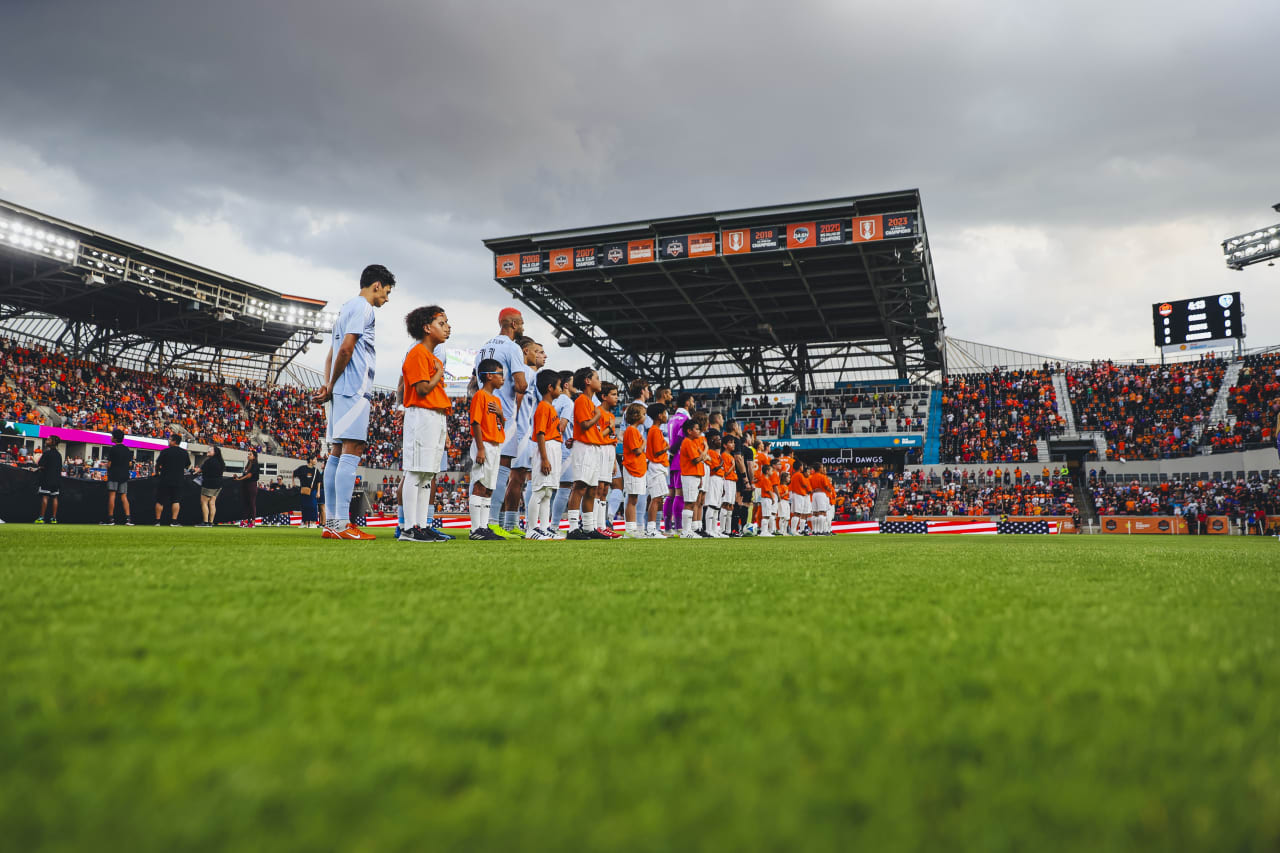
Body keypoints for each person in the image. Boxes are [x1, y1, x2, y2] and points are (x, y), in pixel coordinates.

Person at [313, 263, 395, 541]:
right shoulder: (363, 308)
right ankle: (342, 523)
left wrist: (328, 385)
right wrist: (333, 384)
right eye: (386, 291)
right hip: (354, 388)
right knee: (352, 447)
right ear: (376, 286)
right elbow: (346, 349)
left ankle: (332, 524)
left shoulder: (345, 308)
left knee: (337, 450)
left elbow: (331, 353)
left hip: (341, 389)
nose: (387, 297)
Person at [470, 307, 530, 539]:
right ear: (513, 324)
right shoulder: (513, 347)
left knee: (486, 475)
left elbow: (476, 379)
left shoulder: (483, 348)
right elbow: (522, 384)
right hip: (501, 416)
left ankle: (486, 524)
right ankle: (489, 523)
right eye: (521, 322)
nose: (523, 326)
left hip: (488, 410)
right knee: (496, 474)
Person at [399, 305, 454, 543]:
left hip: (434, 415)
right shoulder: (418, 353)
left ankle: (421, 525)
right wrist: (438, 373)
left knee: (427, 474)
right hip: (421, 414)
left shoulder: (429, 356)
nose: (447, 327)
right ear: (426, 327)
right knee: (415, 472)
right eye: (441, 323)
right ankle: (409, 528)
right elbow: (422, 389)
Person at [504, 336, 545, 536]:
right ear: (525, 351)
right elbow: (519, 400)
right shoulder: (526, 373)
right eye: (538, 352)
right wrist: (517, 430)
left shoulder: (532, 374)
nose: (543, 356)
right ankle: (508, 523)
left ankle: (509, 522)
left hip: (525, 433)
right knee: (516, 477)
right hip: (520, 433)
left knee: (519, 478)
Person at [468, 358, 507, 540]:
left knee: (489, 487)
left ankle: (484, 527)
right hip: (484, 444)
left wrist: (500, 414)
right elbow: (475, 422)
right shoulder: (480, 396)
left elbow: (500, 424)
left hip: (495, 444)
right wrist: (481, 448)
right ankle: (476, 529)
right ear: (489, 376)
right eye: (500, 374)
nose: (503, 378)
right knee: (480, 484)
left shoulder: (496, 399)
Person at [566, 367, 606, 540]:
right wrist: (597, 415)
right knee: (580, 486)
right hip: (585, 447)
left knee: (592, 489)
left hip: (593, 446)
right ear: (588, 381)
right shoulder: (582, 400)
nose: (600, 381)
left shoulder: (590, 402)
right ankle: (573, 528)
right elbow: (584, 425)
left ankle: (589, 527)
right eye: (597, 378)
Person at [526, 369, 564, 540]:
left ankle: (544, 527)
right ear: (550, 388)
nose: (562, 389)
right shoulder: (543, 407)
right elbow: (540, 433)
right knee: (540, 490)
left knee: (548, 492)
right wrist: (544, 458)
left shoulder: (550, 407)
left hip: (554, 447)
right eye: (559, 386)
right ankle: (532, 529)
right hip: (546, 448)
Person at [549, 370, 576, 537]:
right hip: (564, 448)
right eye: (573, 382)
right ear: (566, 385)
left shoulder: (554, 400)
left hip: (552, 446)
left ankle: (546, 524)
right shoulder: (567, 402)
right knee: (565, 487)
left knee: (551, 488)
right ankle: (554, 525)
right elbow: (562, 426)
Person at [663, 392, 694, 534]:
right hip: (681, 459)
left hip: (673, 460)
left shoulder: (672, 418)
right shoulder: (685, 419)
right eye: (692, 401)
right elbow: (681, 439)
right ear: (687, 403)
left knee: (671, 493)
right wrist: (673, 452)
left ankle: (668, 527)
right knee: (680, 494)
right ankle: (679, 527)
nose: (693, 404)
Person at [594, 382, 621, 538]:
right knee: (598, 488)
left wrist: (613, 462)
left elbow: (612, 439)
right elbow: (597, 437)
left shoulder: (611, 415)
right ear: (604, 397)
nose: (616, 398)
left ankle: (603, 525)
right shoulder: (597, 413)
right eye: (613, 394)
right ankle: (595, 525)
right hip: (600, 451)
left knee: (605, 489)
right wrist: (610, 428)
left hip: (610, 452)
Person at [678, 415, 710, 538]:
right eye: (696, 429)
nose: (698, 431)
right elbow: (696, 460)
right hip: (689, 475)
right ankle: (686, 531)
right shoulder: (687, 442)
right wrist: (706, 449)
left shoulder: (692, 442)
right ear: (689, 431)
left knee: (692, 502)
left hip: (695, 475)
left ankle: (688, 530)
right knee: (689, 502)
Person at [620, 402, 648, 539]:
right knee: (632, 498)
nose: (645, 417)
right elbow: (637, 450)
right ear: (636, 416)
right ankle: (630, 529)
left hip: (638, 469)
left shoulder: (636, 431)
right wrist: (644, 443)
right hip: (632, 468)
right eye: (643, 414)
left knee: (634, 498)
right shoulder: (631, 430)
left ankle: (633, 527)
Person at [643, 403, 671, 538]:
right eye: (665, 413)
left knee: (658, 498)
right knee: (656, 498)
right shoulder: (654, 430)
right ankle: (651, 529)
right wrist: (667, 447)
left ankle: (654, 528)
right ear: (660, 416)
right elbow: (656, 451)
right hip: (656, 466)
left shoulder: (656, 430)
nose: (667, 416)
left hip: (659, 466)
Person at [154, 433, 190, 526]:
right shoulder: (184, 453)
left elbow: (157, 464)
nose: (168, 441)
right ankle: (174, 521)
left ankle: (157, 521)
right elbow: (187, 465)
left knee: (160, 501)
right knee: (176, 501)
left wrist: (157, 472)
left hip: (165, 479)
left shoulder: (165, 451)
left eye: (170, 439)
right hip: (178, 479)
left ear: (174, 441)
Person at [102, 428, 134, 526]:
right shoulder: (127, 449)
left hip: (113, 475)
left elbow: (109, 464)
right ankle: (128, 519)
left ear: (115, 439)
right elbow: (129, 464)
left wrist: (108, 470)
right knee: (124, 496)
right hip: (124, 475)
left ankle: (111, 519)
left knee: (112, 496)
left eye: (112, 436)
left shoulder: (113, 449)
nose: (111, 437)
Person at [34, 435, 63, 524]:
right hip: (56, 480)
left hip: (46, 479)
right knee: (54, 497)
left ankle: (41, 518)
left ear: (53, 442)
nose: (47, 440)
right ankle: (54, 518)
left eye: (49, 439)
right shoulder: (59, 455)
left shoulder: (46, 453)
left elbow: (41, 465)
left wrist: (36, 463)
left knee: (45, 497)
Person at [198, 444, 225, 527]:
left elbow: (201, 470)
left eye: (210, 450)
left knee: (204, 502)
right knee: (212, 503)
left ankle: (205, 522)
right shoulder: (221, 462)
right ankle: (210, 522)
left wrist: (195, 471)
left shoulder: (209, 461)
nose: (208, 450)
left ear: (215, 452)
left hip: (209, 484)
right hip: (218, 485)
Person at [292, 456, 321, 528]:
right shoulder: (302, 468)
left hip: (313, 490)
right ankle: (304, 522)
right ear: (310, 460)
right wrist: (293, 483)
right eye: (315, 459)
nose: (316, 460)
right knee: (304, 506)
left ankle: (313, 522)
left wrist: (318, 492)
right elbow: (294, 473)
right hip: (303, 490)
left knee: (313, 506)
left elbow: (319, 482)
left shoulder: (316, 470)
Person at [235, 449, 261, 527]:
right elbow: (245, 475)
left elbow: (249, 475)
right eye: (248, 454)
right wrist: (238, 477)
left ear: (254, 457)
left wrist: (239, 479)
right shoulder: (247, 465)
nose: (248, 455)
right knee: (246, 503)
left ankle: (253, 523)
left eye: (250, 454)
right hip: (245, 485)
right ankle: (245, 521)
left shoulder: (255, 465)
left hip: (251, 485)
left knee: (252, 504)